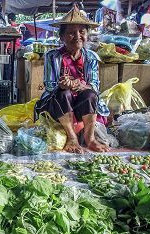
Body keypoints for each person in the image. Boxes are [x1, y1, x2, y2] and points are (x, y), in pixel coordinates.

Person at [35, 5, 110, 153]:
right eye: (71, 33)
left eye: (82, 32)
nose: (77, 36)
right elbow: (49, 86)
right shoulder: (52, 56)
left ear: (87, 34)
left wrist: (83, 86)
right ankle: (72, 138)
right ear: (62, 37)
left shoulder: (91, 57)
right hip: (58, 106)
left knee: (90, 94)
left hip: (81, 106)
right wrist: (63, 86)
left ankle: (90, 139)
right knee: (64, 94)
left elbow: (95, 85)